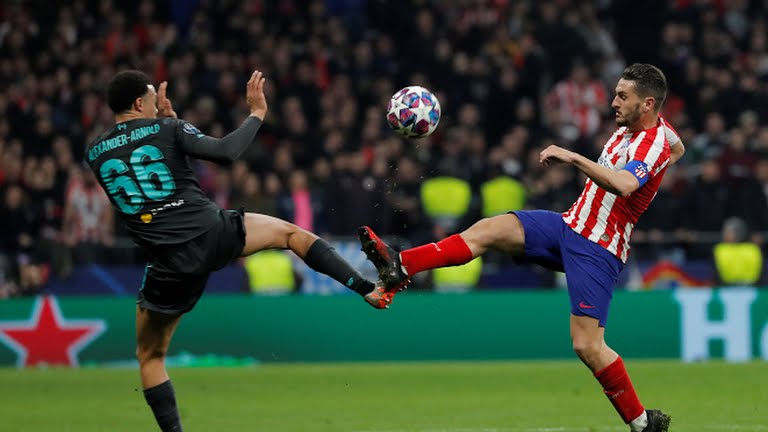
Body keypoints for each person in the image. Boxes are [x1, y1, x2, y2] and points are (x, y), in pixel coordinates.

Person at [359, 64, 685, 432]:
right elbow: (678, 148)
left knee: (587, 346)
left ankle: (643, 423)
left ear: (648, 104)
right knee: (489, 229)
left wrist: (574, 157)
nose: (613, 102)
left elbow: (626, 185)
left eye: (623, 96)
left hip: (598, 249)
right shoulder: (648, 132)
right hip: (569, 225)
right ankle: (400, 265)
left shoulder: (651, 143)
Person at [87, 69, 386, 432]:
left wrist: (168, 123)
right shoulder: (168, 130)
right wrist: (256, 113)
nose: (155, 102)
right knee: (292, 234)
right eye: (151, 98)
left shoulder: (96, 152)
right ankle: (367, 289)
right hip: (213, 233)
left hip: (168, 260)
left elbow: (144, 162)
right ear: (139, 102)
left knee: (150, 357)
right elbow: (225, 153)